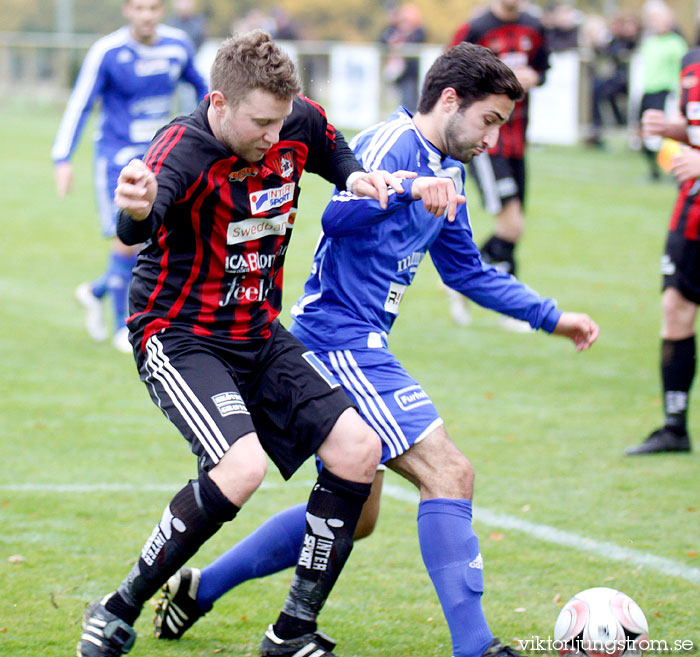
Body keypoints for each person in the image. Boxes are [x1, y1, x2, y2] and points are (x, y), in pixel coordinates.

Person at [151, 42, 599, 657]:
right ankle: (476, 646)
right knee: (450, 472)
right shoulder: (393, 146)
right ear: (449, 101)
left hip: (359, 340)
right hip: (337, 338)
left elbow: (467, 272)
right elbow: (336, 216)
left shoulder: (452, 170)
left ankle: (201, 589)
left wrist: (552, 317)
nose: (494, 138)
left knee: (357, 517)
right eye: (490, 120)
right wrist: (410, 188)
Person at [76, 30, 411, 657]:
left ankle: (291, 632)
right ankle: (117, 608)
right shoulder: (180, 147)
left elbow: (330, 149)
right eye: (259, 122)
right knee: (242, 467)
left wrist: (358, 177)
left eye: (280, 121)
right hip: (178, 335)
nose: (272, 135)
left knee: (359, 450)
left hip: (256, 330)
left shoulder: (290, 121)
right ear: (218, 103)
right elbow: (141, 220)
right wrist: (135, 208)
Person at [52, 0, 208, 352]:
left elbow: (206, 92)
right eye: (139, 8)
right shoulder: (107, 52)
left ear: (161, 10)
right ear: (127, 10)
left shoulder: (178, 45)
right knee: (128, 238)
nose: (147, 15)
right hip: (117, 158)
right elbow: (79, 104)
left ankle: (96, 291)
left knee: (160, 239)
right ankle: (124, 326)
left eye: (153, 8)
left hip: (162, 156)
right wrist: (62, 158)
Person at [445, 0, 550, 331]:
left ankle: (459, 280)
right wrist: (502, 81)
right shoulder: (476, 29)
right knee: (511, 225)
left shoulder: (535, 26)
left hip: (519, 142)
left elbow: (543, 70)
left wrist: (534, 76)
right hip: (488, 144)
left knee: (513, 227)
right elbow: (450, 76)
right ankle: (510, 307)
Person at [626, 47, 700, 455]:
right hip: (691, 210)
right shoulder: (691, 62)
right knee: (675, 306)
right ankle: (675, 427)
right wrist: (674, 129)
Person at [637, 0, 687, 181]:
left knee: (665, 134)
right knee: (644, 133)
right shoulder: (649, 42)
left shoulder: (676, 43)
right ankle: (654, 170)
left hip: (666, 93)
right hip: (648, 91)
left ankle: (673, 169)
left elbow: (684, 71)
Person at [379, 3, 427, 113]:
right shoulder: (393, 30)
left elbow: (418, 40)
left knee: (409, 102)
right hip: (397, 72)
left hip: (410, 74)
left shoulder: (418, 31)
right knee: (397, 100)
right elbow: (382, 39)